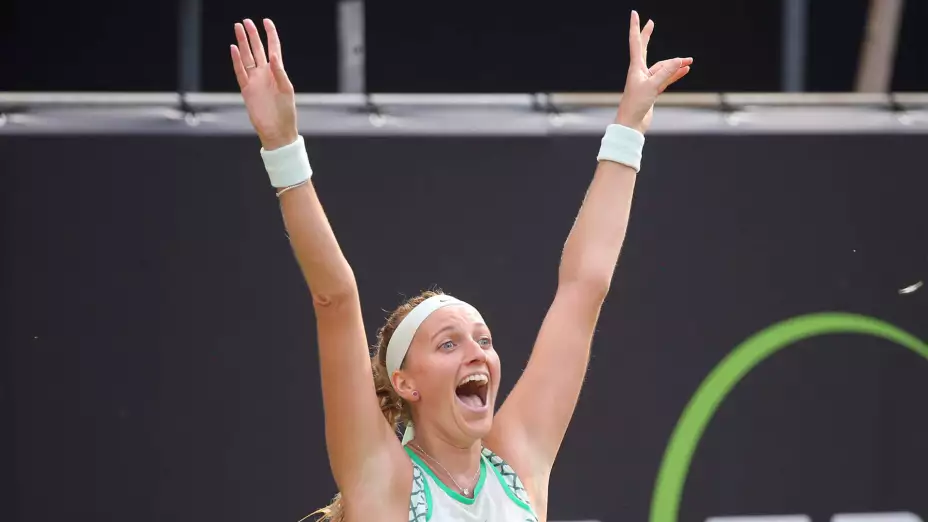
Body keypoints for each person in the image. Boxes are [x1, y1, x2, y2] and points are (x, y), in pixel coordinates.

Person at [230, 12, 691, 522]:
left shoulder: (518, 463)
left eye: (484, 340)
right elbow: (335, 297)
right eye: (449, 343)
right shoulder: (383, 482)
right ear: (405, 382)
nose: (478, 353)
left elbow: (584, 288)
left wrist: (628, 129)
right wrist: (282, 146)